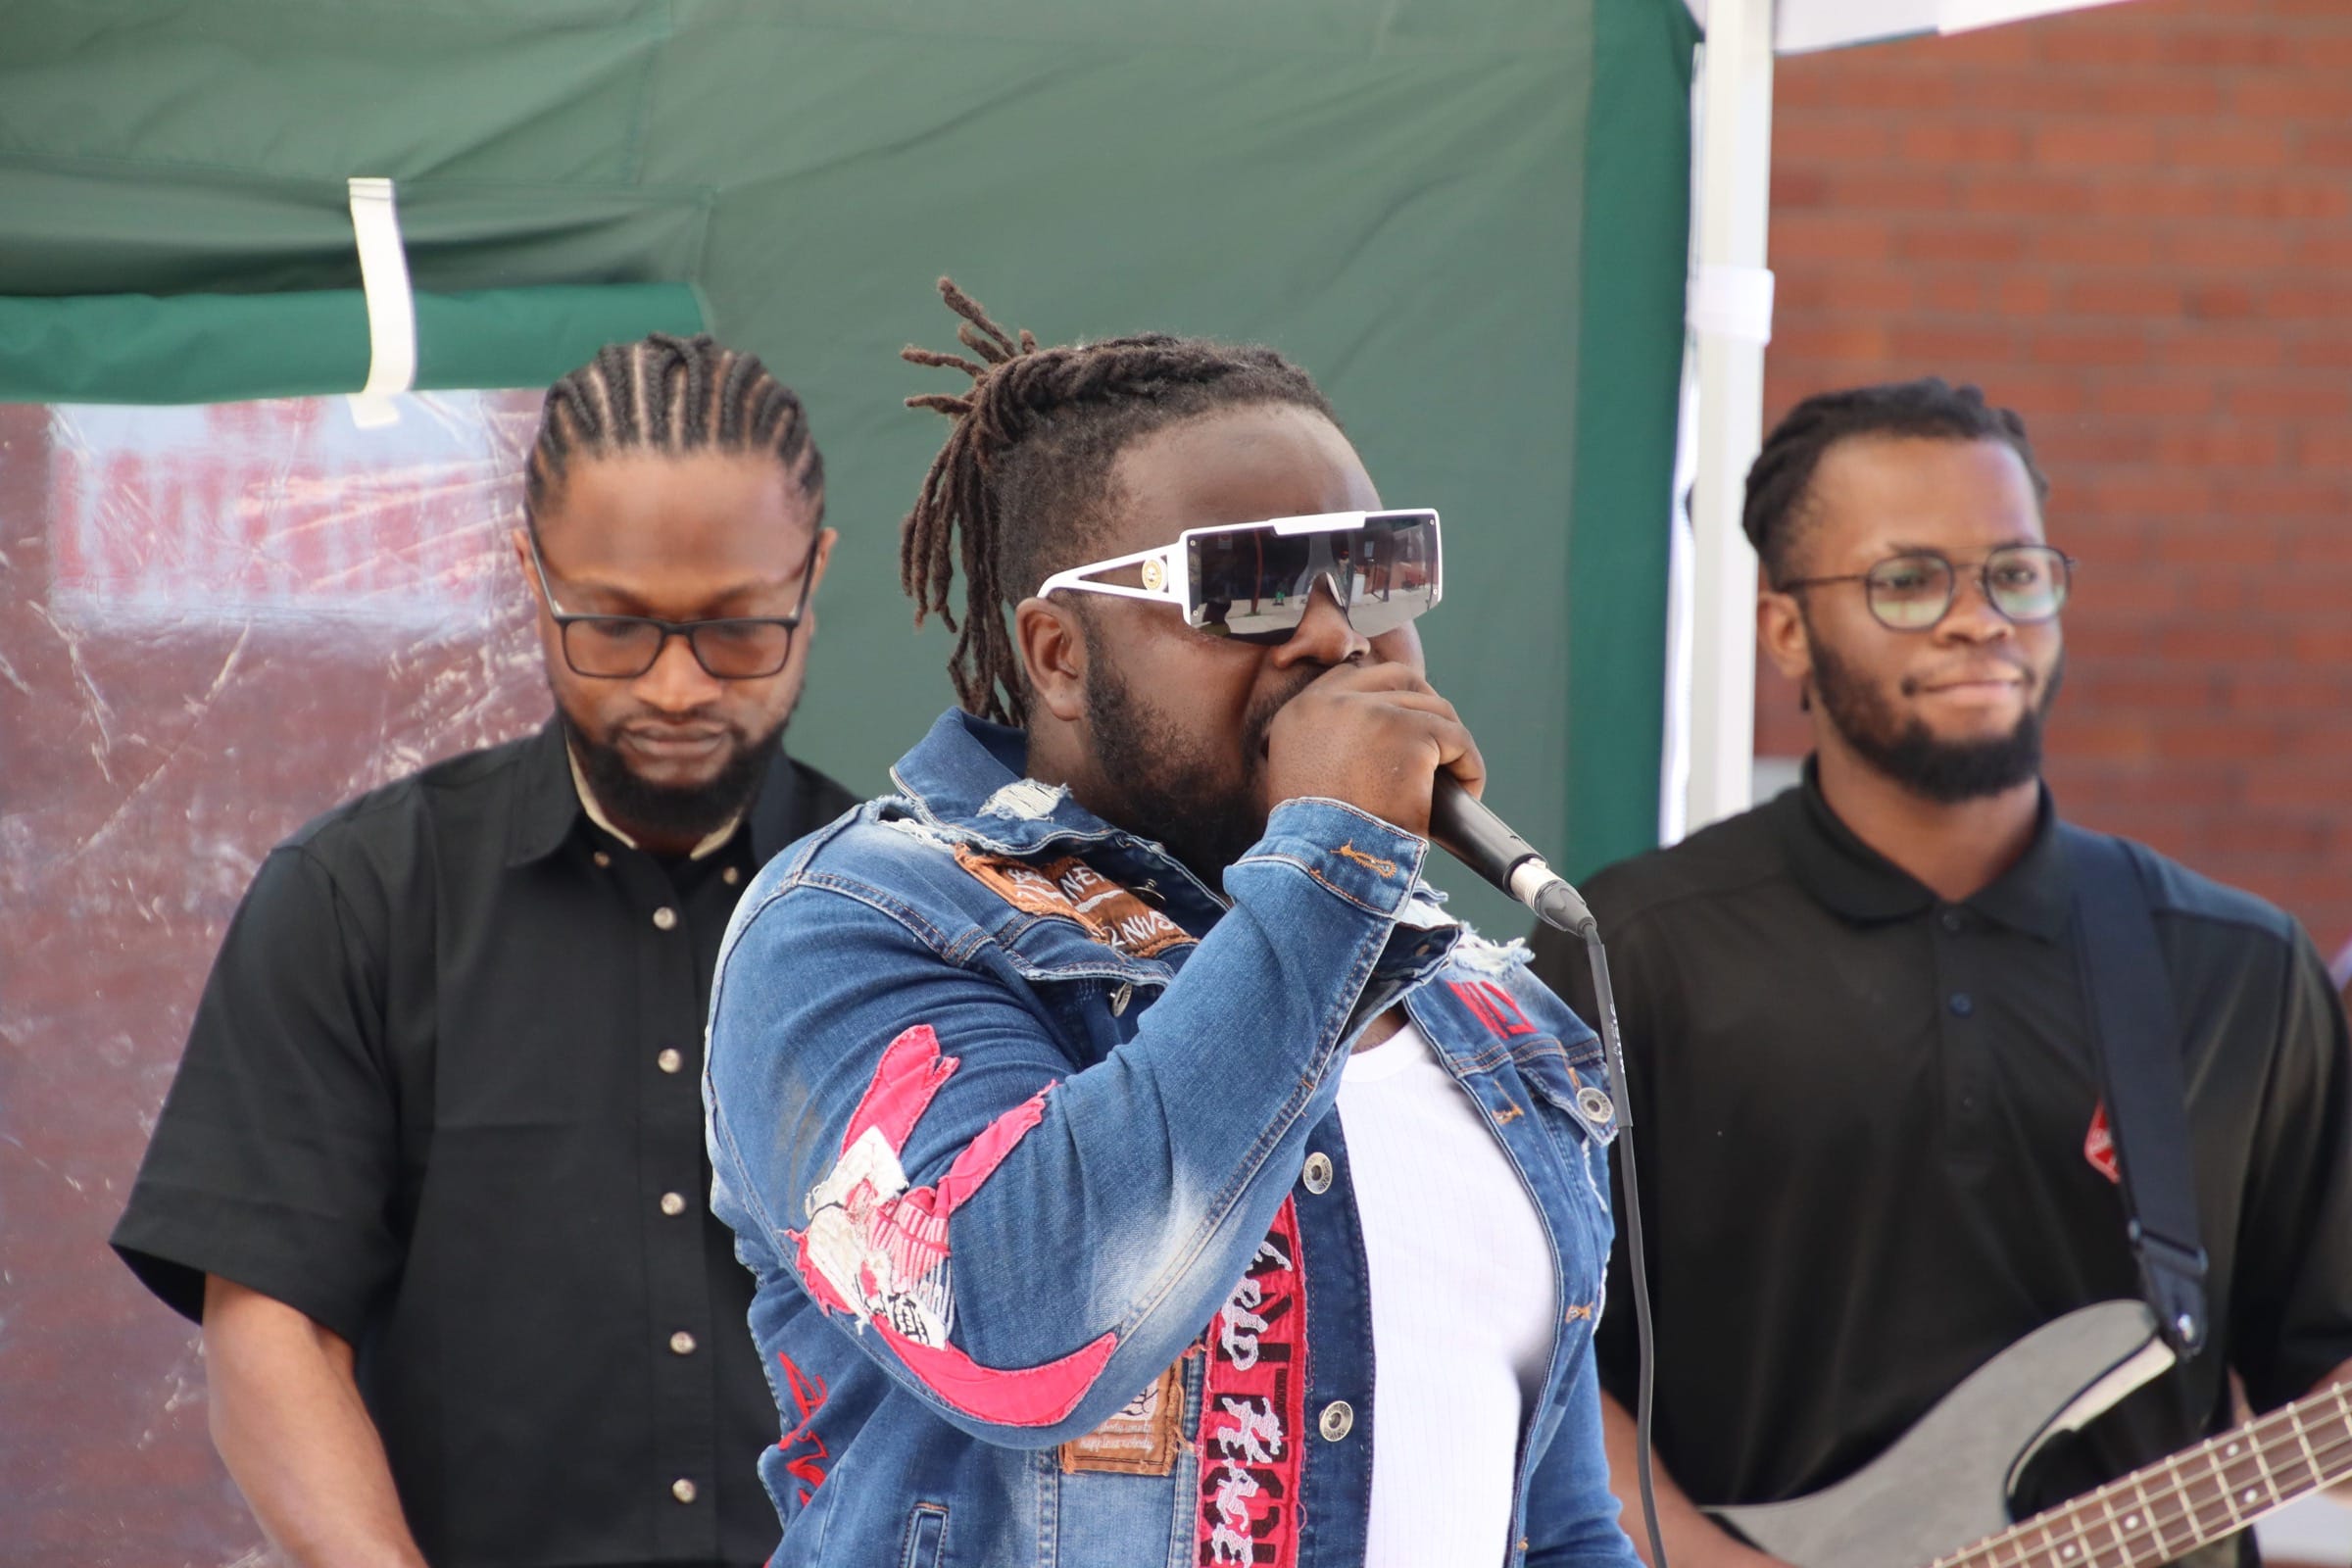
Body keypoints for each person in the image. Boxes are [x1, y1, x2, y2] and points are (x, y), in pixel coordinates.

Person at [701, 280, 1641, 1568]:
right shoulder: (855, 927)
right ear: (1059, 654)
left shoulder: (1490, 1016)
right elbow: (1019, 1330)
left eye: (1373, 571)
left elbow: (1557, 1524)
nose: (1333, 637)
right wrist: (1334, 863)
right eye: (1247, 587)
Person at [1530, 379, 2352, 1568]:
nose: (1981, 619)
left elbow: (2315, 1370)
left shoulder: (2239, 968)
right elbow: (1536, 1359)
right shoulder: (1630, 951)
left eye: (2015, 572)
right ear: (1784, 630)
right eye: (1910, 581)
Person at [112, 333, 856, 1568]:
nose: (678, 687)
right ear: (531, 573)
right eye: (614, 626)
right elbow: (271, 1331)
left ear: (812, 574)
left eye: (736, 629)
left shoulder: (912, 915)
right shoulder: (356, 901)